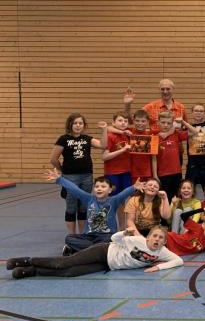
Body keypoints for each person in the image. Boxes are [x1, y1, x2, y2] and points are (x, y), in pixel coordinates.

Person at [7, 226, 182, 279]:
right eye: (154, 236)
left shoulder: (162, 252)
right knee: (64, 263)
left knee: (70, 273)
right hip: (103, 252)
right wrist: (124, 233)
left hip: (107, 266)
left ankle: (32, 271)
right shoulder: (137, 240)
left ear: (164, 242)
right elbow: (114, 238)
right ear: (148, 237)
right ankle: (25, 260)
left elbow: (178, 261)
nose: (157, 240)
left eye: (160, 238)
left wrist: (158, 268)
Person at [45, 168, 142, 255]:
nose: (99, 189)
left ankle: (83, 250)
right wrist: (60, 179)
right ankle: (95, 250)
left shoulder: (114, 200)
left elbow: (124, 193)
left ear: (110, 190)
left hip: (106, 236)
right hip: (89, 236)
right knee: (69, 238)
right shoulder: (89, 199)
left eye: (103, 186)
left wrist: (134, 187)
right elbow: (75, 189)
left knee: (112, 240)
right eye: (97, 186)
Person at [50, 113, 109, 234]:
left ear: (84, 125)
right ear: (70, 125)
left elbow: (103, 145)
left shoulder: (87, 139)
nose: (78, 125)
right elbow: (53, 159)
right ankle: (72, 235)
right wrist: (62, 171)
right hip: (70, 177)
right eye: (75, 123)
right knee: (71, 206)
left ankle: (83, 234)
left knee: (83, 206)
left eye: (80, 123)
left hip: (86, 176)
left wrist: (104, 130)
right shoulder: (64, 139)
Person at [151, 112, 198, 199]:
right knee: (165, 198)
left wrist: (183, 121)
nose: (166, 125)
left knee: (177, 199)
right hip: (162, 175)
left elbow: (195, 132)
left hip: (177, 173)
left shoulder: (176, 134)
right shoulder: (155, 138)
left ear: (172, 123)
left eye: (169, 123)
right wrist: (155, 175)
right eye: (163, 122)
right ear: (158, 122)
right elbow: (154, 158)